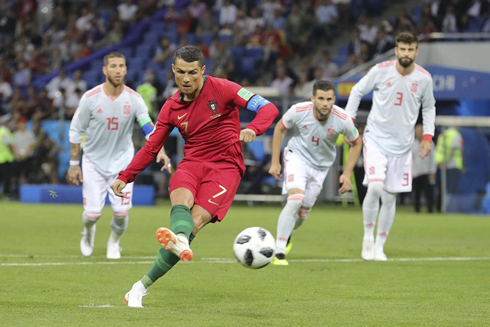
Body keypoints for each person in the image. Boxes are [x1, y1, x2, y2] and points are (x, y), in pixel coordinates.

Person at [110, 46, 279, 308]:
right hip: (191, 164)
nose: (186, 78)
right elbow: (151, 147)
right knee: (180, 199)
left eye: (192, 73)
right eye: (180, 72)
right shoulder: (170, 107)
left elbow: (268, 108)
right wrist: (126, 176)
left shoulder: (224, 88)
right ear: (173, 71)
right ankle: (180, 240)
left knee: (195, 222)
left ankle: (139, 287)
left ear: (202, 71)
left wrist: (254, 129)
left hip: (226, 168)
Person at [67, 51, 171, 260]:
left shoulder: (134, 99)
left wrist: (160, 150)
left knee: (121, 214)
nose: (117, 70)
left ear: (126, 69)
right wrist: (73, 163)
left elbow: (149, 128)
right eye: (113, 66)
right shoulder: (90, 99)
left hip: (123, 164)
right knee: (92, 214)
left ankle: (114, 243)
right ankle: (88, 232)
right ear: (105, 70)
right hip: (93, 162)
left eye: (121, 66)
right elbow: (75, 131)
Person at [345, 32, 436, 261]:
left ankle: (380, 245)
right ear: (396, 50)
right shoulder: (380, 70)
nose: (406, 54)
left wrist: (427, 136)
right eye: (402, 49)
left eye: (410, 49)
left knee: (390, 197)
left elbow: (429, 108)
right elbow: (356, 91)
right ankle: (367, 238)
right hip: (376, 139)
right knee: (375, 187)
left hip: (403, 146)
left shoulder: (424, 79)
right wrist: (348, 124)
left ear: (416, 51)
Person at [268, 80, 362, 266]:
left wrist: (346, 173)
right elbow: (280, 128)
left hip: (320, 168)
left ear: (334, 99)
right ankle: (279, 252)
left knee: (302, 217)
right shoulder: (298, 111)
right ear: (313, 98)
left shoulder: (342, 119)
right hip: (297, 157)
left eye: (329, 99)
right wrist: (275, 162)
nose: (325, 103)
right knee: (295, 199)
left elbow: (357, 143)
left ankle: (287, 234)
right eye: (321, 98)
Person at [412, 124, 437, 213]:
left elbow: (433, 158)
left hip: (426, 172)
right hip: (415, 172)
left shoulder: (429, 143)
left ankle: (430, 210)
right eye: (417, 131)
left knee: (428, 193)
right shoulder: (412, 143)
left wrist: (432, 171)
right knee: (416, 193)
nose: (418, 133)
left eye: (420, 131)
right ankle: (417, 210)